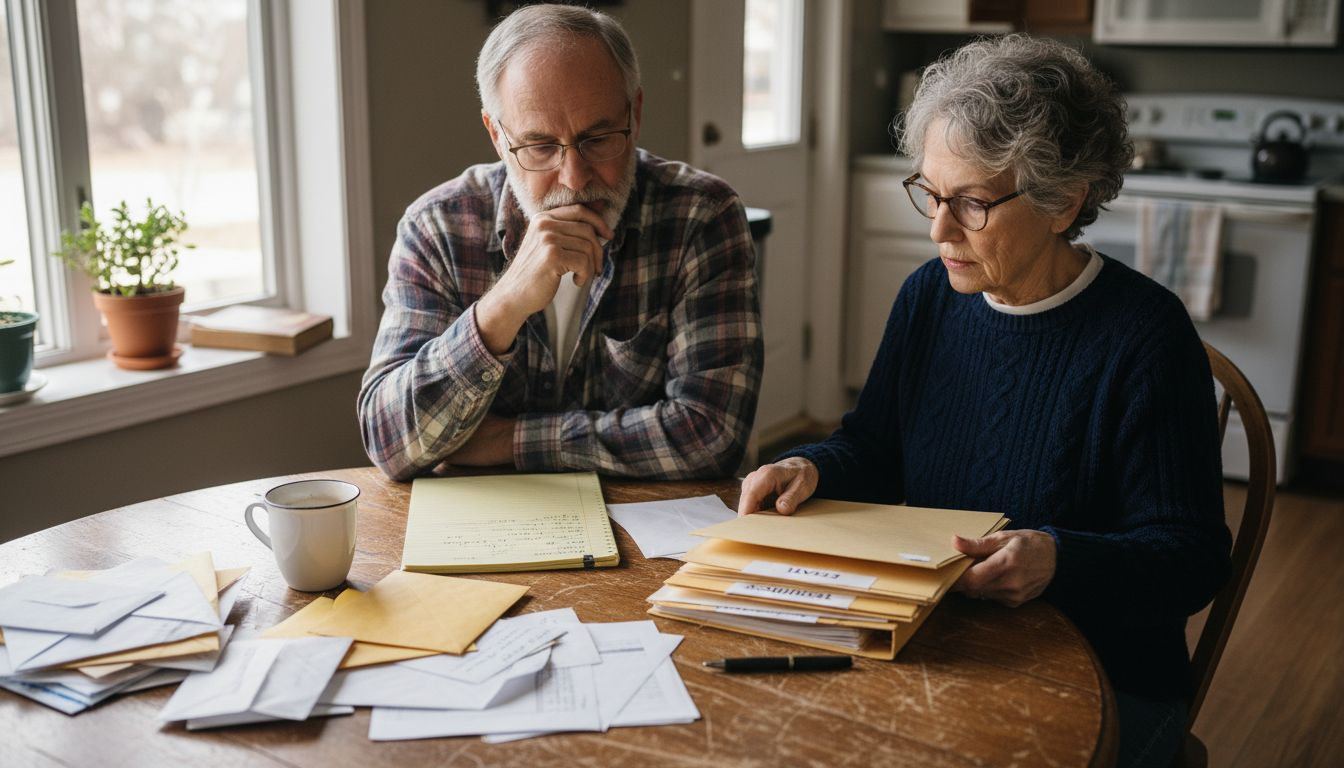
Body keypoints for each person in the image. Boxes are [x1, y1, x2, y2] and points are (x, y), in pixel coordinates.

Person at [737, 35, 1230, 768]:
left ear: (1064, 200)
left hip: (1106, 679)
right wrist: (813, 467)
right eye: (931, 194)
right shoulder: (928, 298)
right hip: (941, 640)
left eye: (971, 203)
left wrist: (1059, 560)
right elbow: (873, 448)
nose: (938, 230)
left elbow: (1191, 559)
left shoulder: (1145, 338)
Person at [359, 5, 762, 482]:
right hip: (482, 532)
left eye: (598, 138)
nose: (573, 178)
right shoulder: (439, 227)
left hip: (655, 535)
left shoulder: (701, 216)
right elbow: (389, 441)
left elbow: (712, 434)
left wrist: (508, 441)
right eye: (540, 146)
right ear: (496, 135)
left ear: (634, 113)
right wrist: (503, 308)